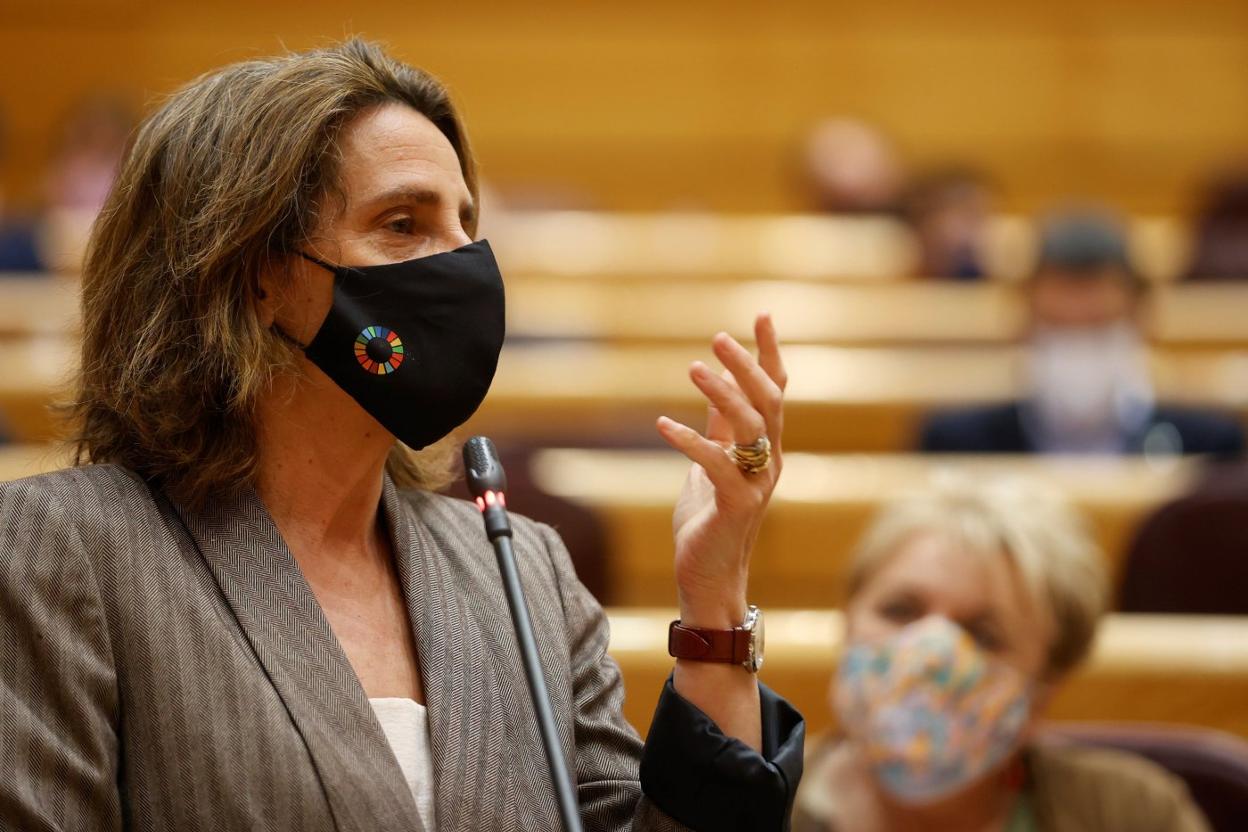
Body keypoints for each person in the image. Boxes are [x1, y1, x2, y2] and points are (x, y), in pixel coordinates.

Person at [0, 40, 803, 831]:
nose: (465, 264)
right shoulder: (64, 551)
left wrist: (714, 603)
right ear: (256, 276)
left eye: (465, 223)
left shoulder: (521, 569)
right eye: (403, 224)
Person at [792, 474, 1211, 831]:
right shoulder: (753, 800)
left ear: (1044, 686)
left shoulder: (1133, 814)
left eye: (983, 634)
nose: (930, 656)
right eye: (901, 610)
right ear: (848, 620)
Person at [920, 209, 1245, 456]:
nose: (1078, 342)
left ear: (1143, 319)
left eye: (1098, 324)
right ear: (1022, 323)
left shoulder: (1211, 446)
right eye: (1058, 324)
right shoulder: (957, 443)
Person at [901, 166, 997, 280]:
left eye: (984, 215)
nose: (981, 228)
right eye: (967, 217)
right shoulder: (899, 271)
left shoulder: (983, 269)